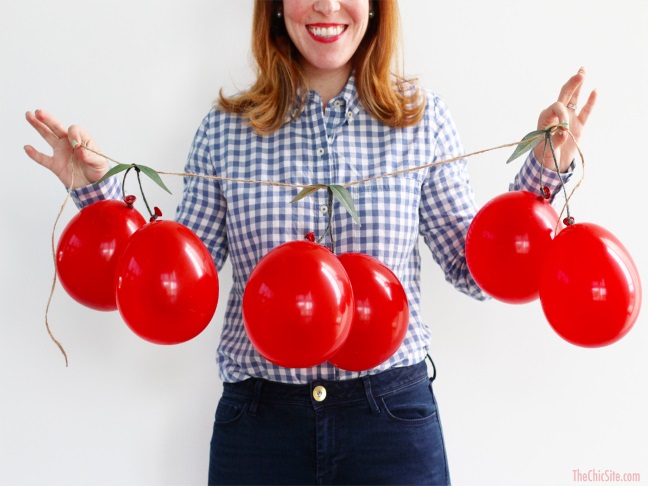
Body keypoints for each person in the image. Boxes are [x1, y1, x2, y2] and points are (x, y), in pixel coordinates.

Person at [25, 1, 596, 484]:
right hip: (259, 428)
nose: (325, 5)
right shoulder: (225, 131)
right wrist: (100, 197)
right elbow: (180, 278)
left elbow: (474, 269)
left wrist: (544, 171)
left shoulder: (422, 120)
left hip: (390, 422)